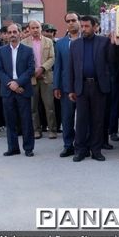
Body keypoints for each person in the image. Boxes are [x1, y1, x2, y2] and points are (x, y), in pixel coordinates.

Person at [68, 15, 115, 162]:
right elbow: (71, 68)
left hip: (98, 86)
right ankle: (81, 150)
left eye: (87, 26)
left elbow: (112, 62)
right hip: (81, 87)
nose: (83, 29)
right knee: (81, 120)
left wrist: (114, 45)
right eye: (82, 26)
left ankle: (96, 150)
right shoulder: (75, 44)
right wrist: (71, 89)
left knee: (98, 120)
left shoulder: (104, 42)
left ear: (95, 27)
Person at [0, 23, 35, 157]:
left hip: (23, 89)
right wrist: (10, 84)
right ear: (7, 34)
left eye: (14, 32)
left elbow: (30, 70)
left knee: (26, 120)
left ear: (19, 33)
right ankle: (13, 148)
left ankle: (28, 148)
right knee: (10, 121)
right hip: (7, 91)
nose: (12, 34)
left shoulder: (28, 50)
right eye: (10, 32)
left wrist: (17, 83)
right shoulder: (1, 50)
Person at [21, 20, 57, 139]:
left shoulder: (48, 42)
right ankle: (36, 130)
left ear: (41, 28)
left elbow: (52, 58)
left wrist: (42, 68)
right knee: (33, 107)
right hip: (31, 78)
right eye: (33, 28)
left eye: (37, 27)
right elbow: (22, 62)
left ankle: (52, 130)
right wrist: (33, 72)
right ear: (29, 29)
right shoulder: (24, 43)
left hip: (46, 76)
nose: (35, 30)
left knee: (49, 106)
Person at [53, 12, 80, 157]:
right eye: (68, 21)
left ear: (79, 21)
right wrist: (56, 86)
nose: (71, 23)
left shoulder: (86, 40)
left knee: (83, 118)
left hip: (83, 86)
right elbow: (58, 66)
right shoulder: (61, 43)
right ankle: (68, 145)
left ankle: (82, 145)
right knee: (67, 117)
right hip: (65, 86)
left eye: (74, 20)